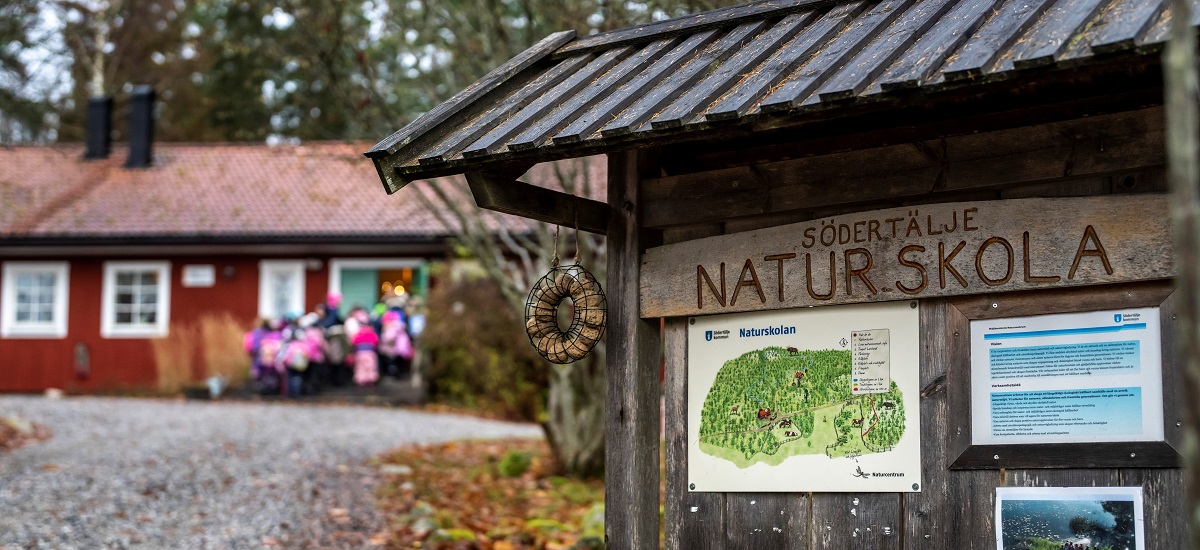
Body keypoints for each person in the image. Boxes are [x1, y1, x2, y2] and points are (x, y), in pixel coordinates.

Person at [351, 310, 380, 388]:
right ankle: (370, 381)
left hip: (360, 353)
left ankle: (361, 381)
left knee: (361, 367)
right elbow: (376, 341)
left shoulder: (358, 333)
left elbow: (353, 341)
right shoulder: (371, 332)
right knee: (370, 367)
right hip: (370, 352)